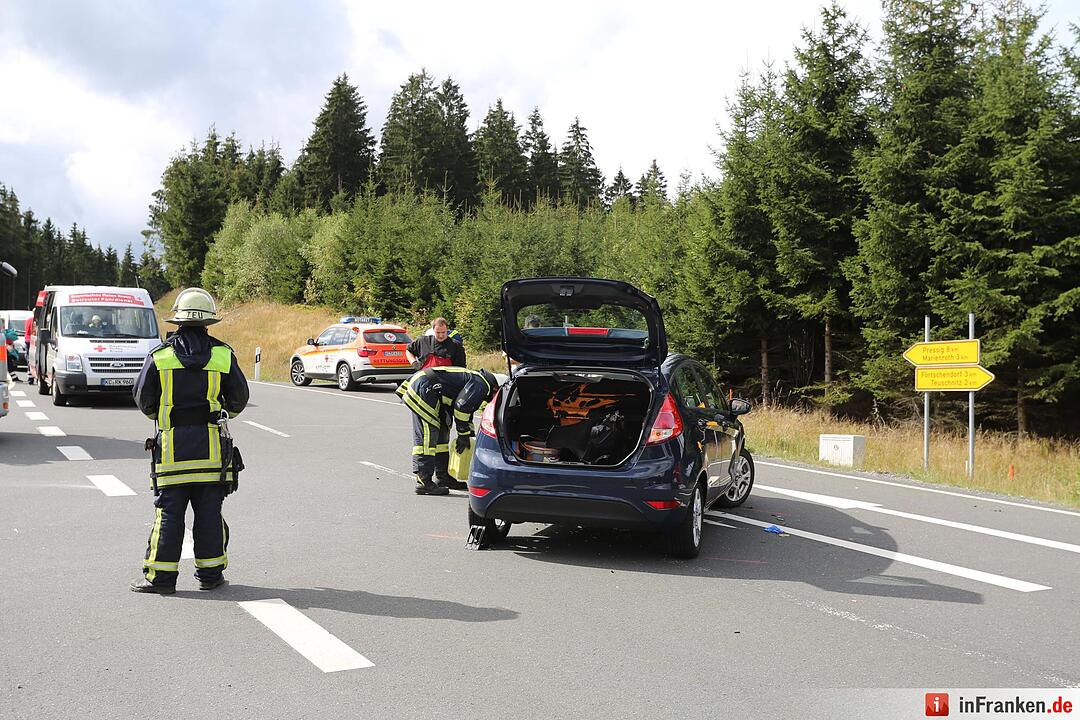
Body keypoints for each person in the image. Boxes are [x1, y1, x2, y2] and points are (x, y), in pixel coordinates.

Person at [129, 288, 249, 594]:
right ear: (209, 322)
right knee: (209, 514)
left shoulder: (160, 357)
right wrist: (221, 414)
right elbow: (238, 400)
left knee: (169, 515)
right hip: (211, 454)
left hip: (171, 454)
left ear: (178, 320)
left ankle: (161, 579)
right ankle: (210, 577)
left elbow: (144, 401)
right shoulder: (223, 355)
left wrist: (166, 419)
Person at [396, 366, 497, 494]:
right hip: (424, 388)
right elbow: (461, 407)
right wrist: (463, 435)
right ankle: (423, 481)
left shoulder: (478, 381)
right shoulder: (482, 384)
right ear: (495, 387)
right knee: (428, 436)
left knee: (442, 436)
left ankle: (443, 477)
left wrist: (468, 434)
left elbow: (467, 411)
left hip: (429, 389)